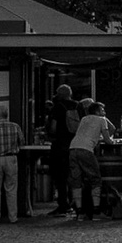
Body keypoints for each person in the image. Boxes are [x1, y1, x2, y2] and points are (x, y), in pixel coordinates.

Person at [68, 101, 116, 220]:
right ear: (98, 111)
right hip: (86, 150)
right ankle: (96, 211)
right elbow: (108, 137)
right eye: (103, 110)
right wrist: (112, 141)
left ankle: (79, 212)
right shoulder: (101, 120)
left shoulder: (84, 119)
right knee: (95, 179)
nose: (104, 113)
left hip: (73, 148)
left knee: (76, 180)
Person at [46, 85, 80, 215]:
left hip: (60, 146)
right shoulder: (78, 106)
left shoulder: (58, 106)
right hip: (75, 144)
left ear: (60, 94)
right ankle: (76, 203)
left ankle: (63, 204)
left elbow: (53, 127)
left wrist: (50, 134)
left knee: (60, 177)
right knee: (74, 176)